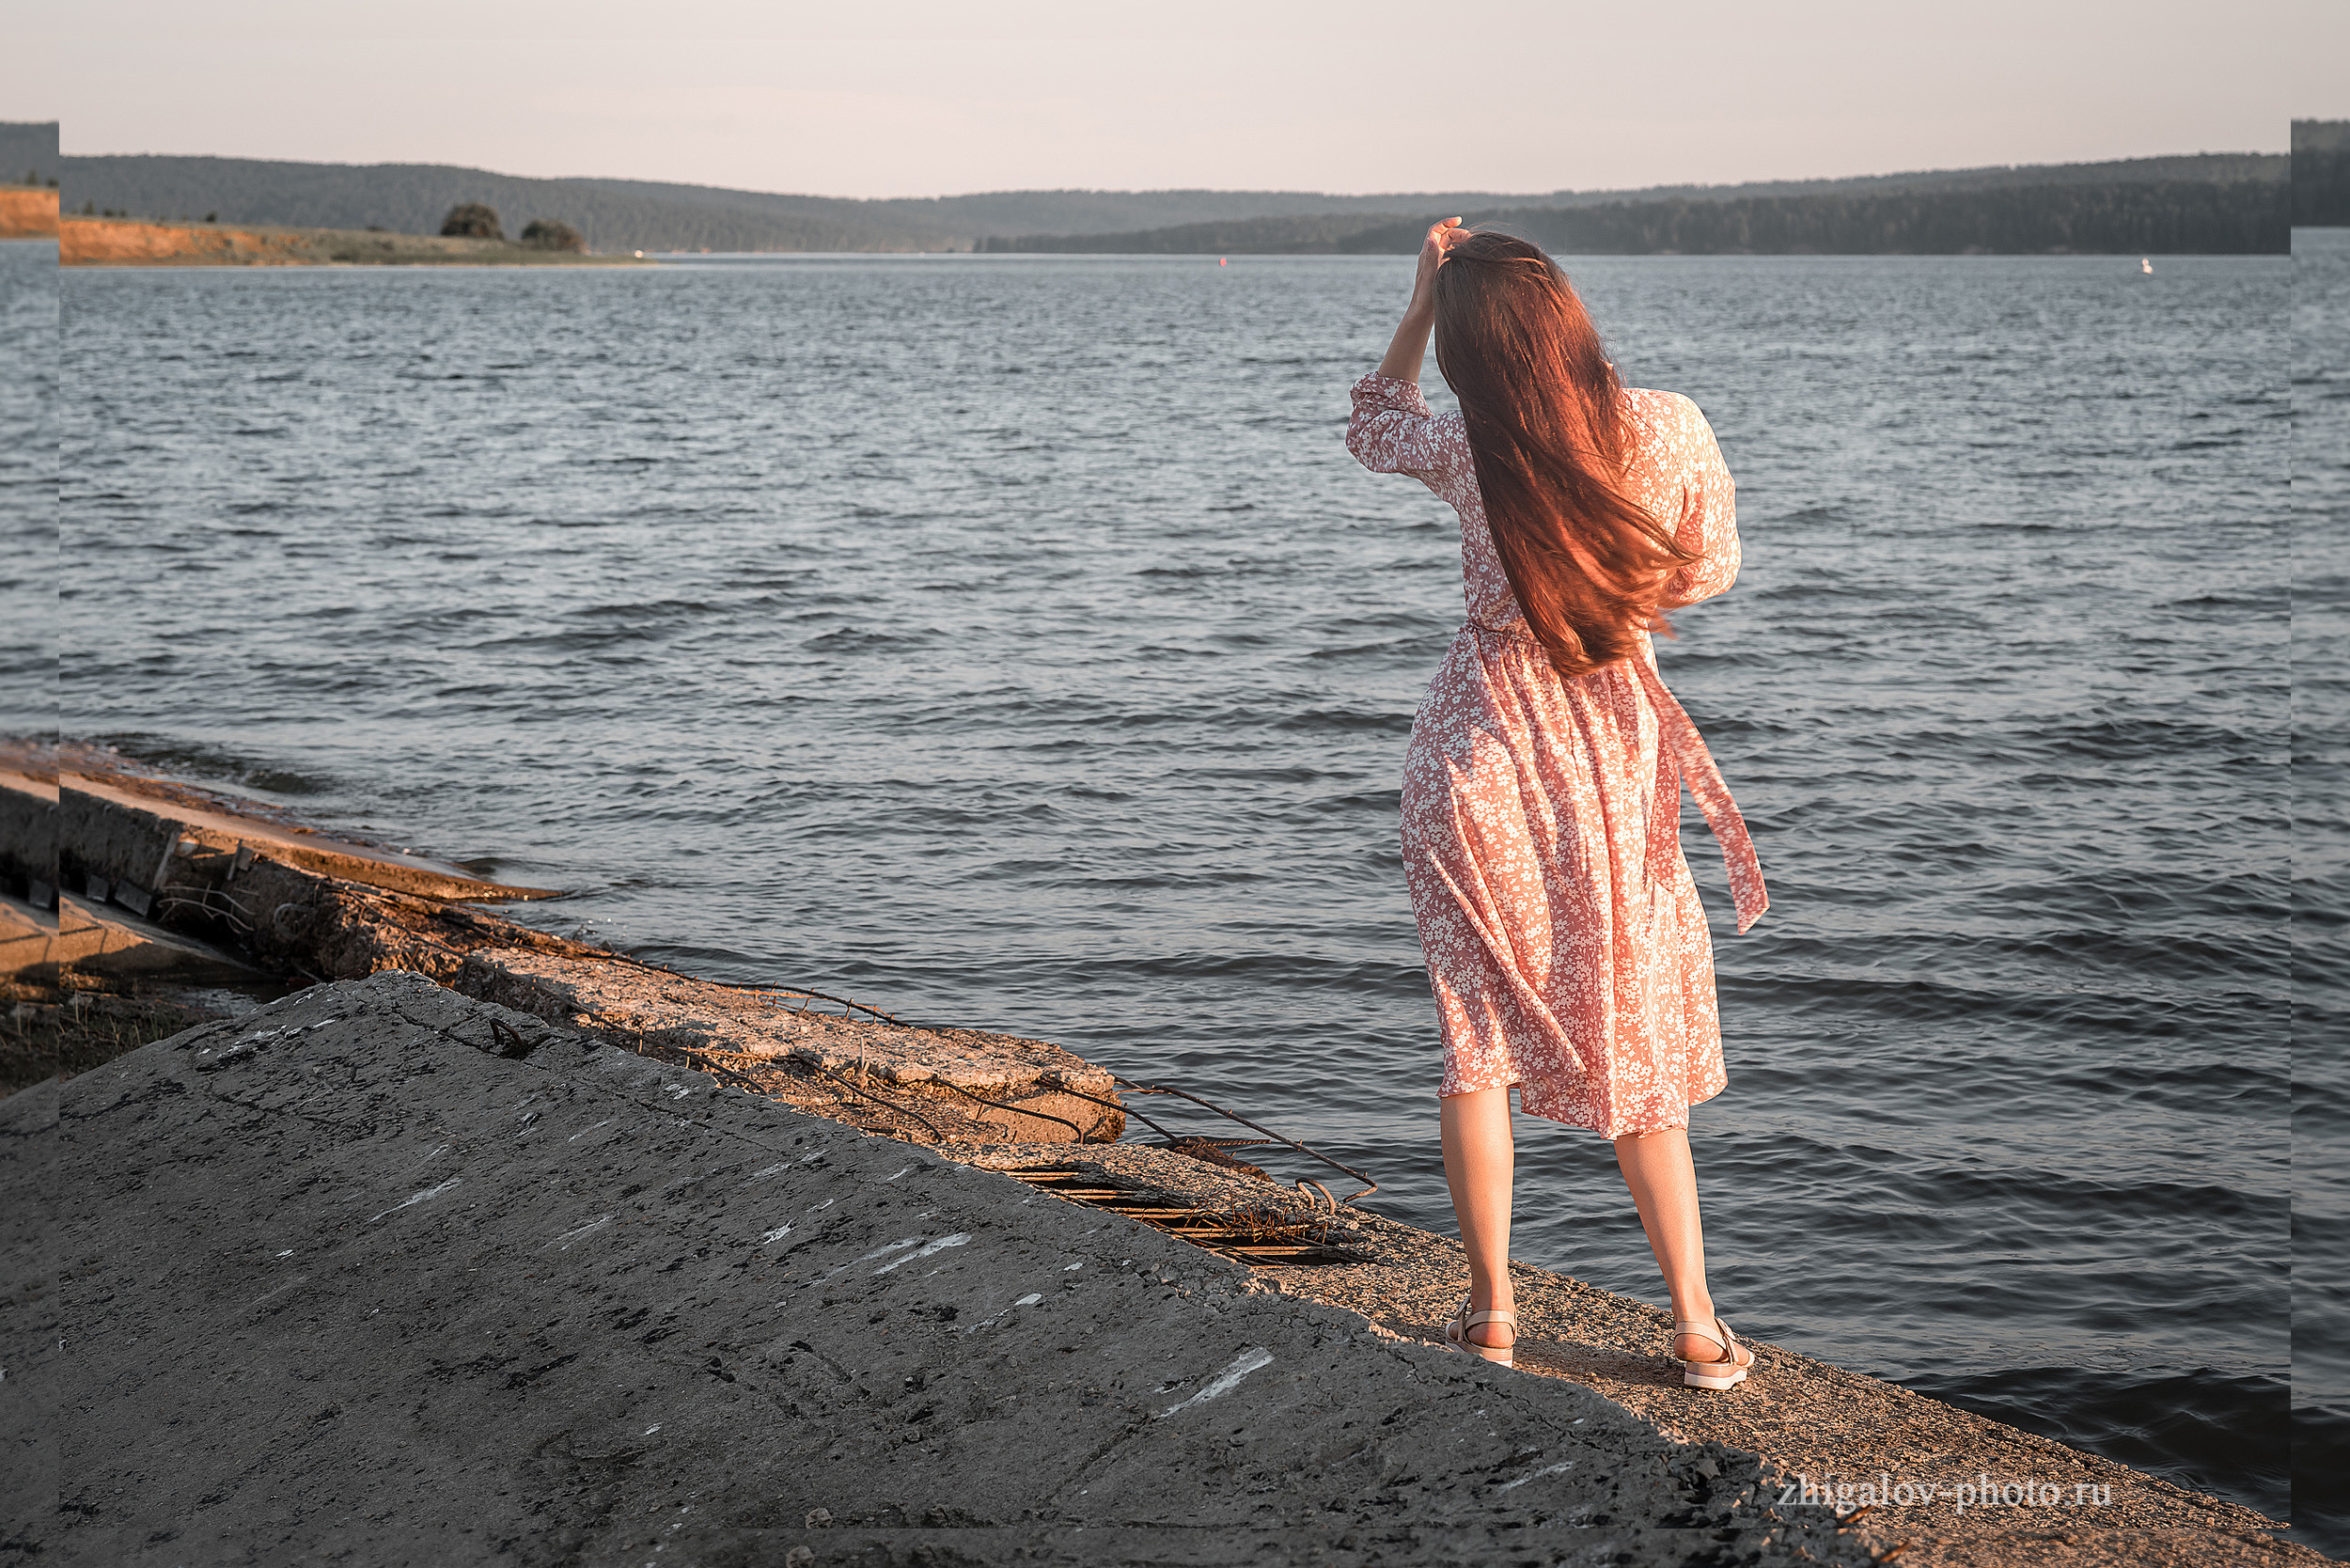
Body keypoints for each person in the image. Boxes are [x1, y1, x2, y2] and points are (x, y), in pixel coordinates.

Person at [1345, 220, 1769, 1390]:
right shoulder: (1666, 425)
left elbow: (1371, 418)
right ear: (1567, 314)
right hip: (1605, 751)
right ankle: (1692, 1327)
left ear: (1476, 350)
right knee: (1636, 1027)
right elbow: (1712, 565)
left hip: (1472, 752)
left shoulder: (1468, 443)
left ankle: (1491, 1317)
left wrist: (1424, 298)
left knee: (1473, 1043)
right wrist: (1623, 594)